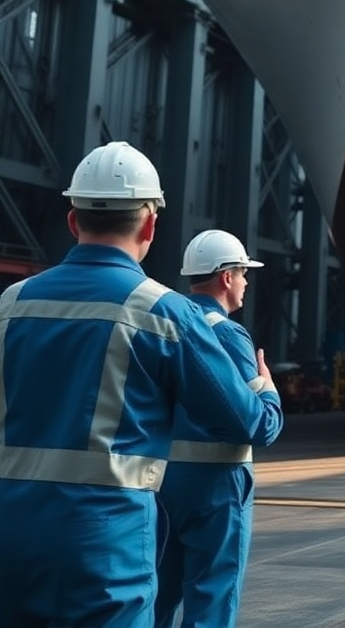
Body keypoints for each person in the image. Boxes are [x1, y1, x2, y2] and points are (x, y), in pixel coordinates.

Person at [0, 142, 284, 628]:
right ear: (150, 225)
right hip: (106, 547)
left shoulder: (11, 303)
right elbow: (247, 422)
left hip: (11, 538)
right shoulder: (163, 314)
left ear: (73, 221)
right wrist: (266, 390)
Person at [154, 230, 271, 628]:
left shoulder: (165, 324)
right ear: (225, 277)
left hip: (162, 482)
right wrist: (269, 390)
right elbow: (259, 425)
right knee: (212, 600)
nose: (245, 282)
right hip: (216, 486)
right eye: (242, 273)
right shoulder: (227, 333)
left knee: (158, 597)